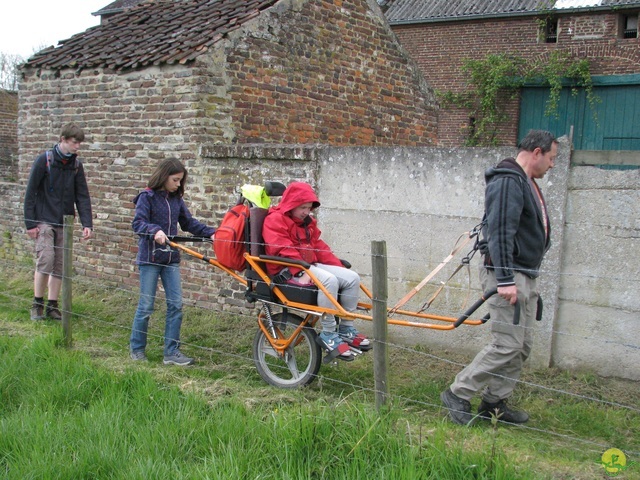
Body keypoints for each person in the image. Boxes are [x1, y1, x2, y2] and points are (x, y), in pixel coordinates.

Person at [441, 130, 558, 425]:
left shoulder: (525, 181)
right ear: (537, 152)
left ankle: (494, 403)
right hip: (507, 274)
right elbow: (501, 233)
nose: (553, 165)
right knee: (506, 344)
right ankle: (458, 392)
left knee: (522, 345)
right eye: (552, 158)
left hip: (525, 273)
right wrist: (505, 279)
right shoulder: (508, 181)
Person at [262, 181, 370, 361]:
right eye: (303, 207)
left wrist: (337, 266)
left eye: (309, 207)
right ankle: (328, 333)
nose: (307, 211)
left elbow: (319, 248)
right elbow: (282, 249)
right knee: (329, 280)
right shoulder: (275, 220)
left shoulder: (306, 223)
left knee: (351, 278)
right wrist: (300, 270)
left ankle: (346, 329)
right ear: (291, 204)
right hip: (287, 270)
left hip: (306, 265)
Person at [129, 158, 216, 366]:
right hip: (150, 259)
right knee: (147, 305)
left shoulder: (176, 199)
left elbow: (188, 223)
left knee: (176, 305)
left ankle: (171, 352)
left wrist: (212, 233)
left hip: (171, 259)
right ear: (164, 176)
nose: (178, 184)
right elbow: (138, 223)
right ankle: (137, 349)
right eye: (175, 180)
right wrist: (154, 230)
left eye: (180, 181)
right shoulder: (146, 197)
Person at [23, 123, 93, 321]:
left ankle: (52, 306)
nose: (77, 147)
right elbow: (31, 193)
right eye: (74, 142)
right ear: (63, 139)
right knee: (46, 259)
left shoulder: (76, 166)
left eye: (79, 143)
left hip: (65, 221)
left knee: (61, 265)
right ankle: (37, 303)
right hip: (44, 219)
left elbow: (82, 196)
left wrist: (87, 224)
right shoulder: (44, 161)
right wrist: (30, 224)